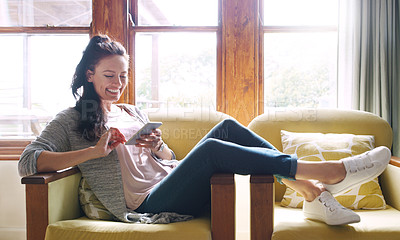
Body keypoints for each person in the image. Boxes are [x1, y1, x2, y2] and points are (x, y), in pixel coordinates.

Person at [18, 35, 391, 226]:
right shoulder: (72, 118)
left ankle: (309, 189)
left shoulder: (130, 109)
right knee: (213, 147)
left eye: (124, 75)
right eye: (109, 76)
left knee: (227, 126)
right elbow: (28, 161)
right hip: (145, 204)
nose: (118, 83)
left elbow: (162, 159)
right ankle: (326, 173)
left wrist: (159, 146)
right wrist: (92, 151)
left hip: (168, 179)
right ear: (89, 75)